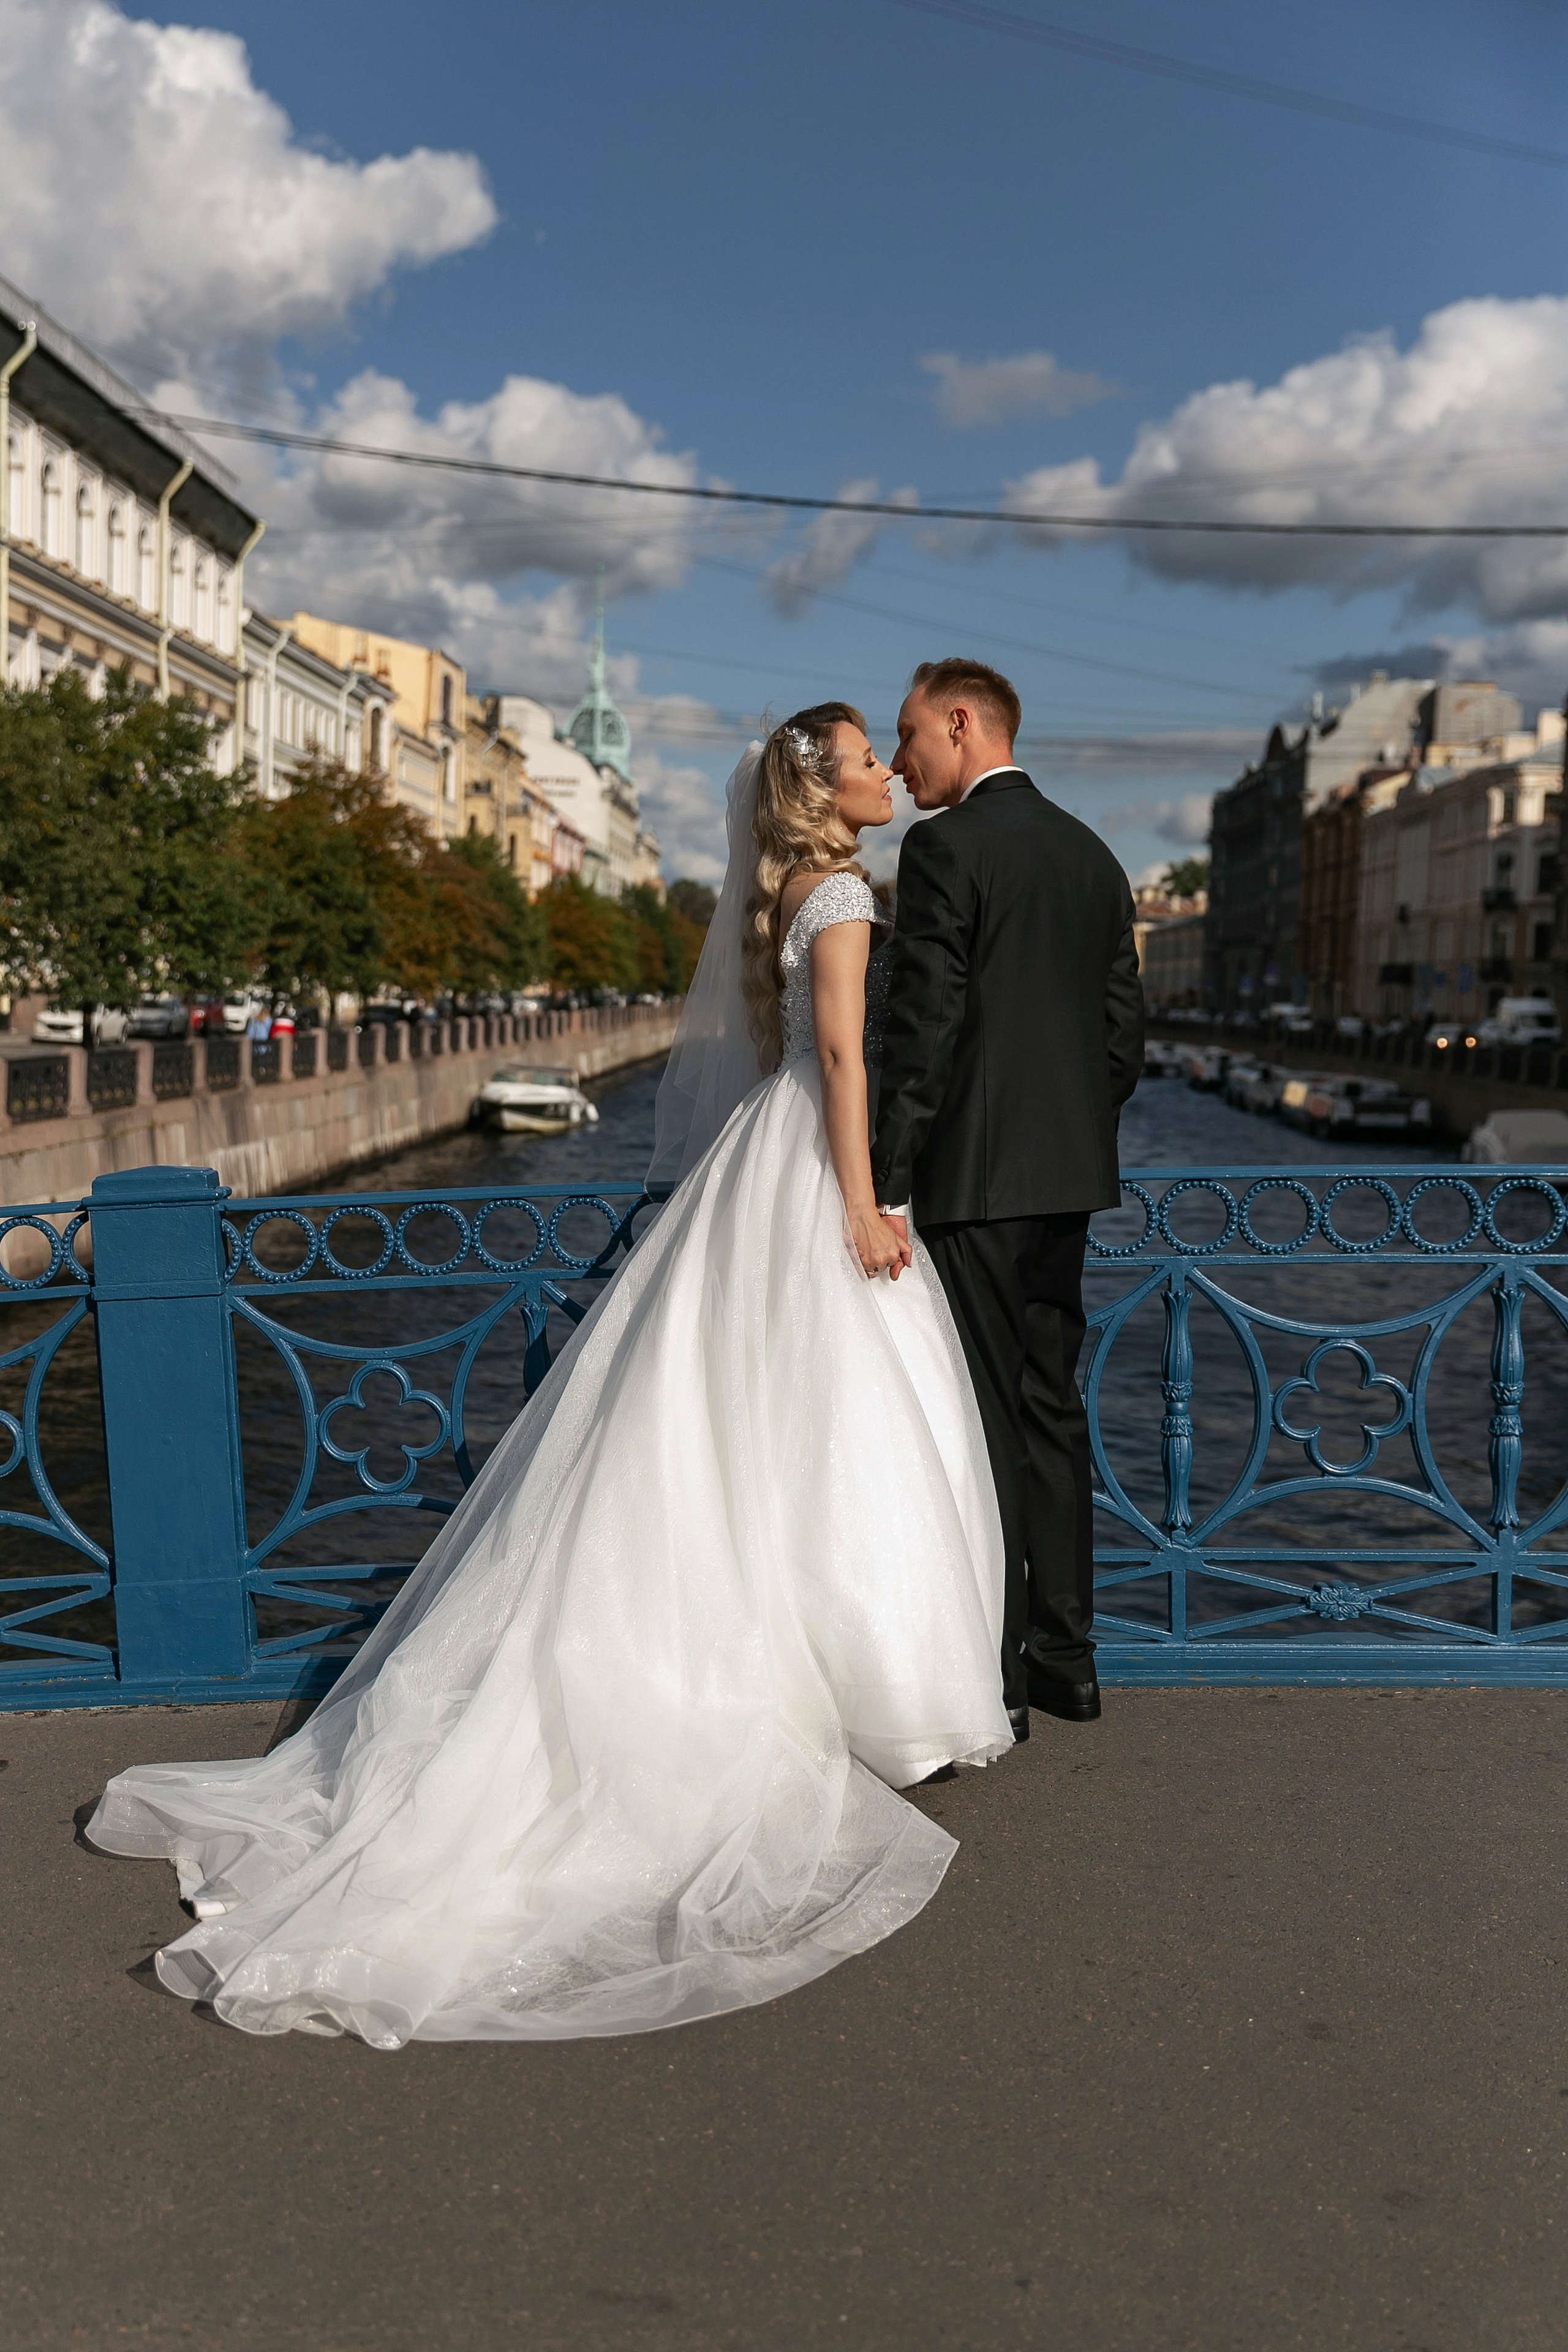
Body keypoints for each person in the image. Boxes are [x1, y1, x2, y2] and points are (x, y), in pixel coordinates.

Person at [87, 704, 1013, 2048]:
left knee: (738, 1419)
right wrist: (865, 1205)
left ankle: (813, 1669)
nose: (885, 772)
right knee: (826, 1418)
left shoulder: (792, 891)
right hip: (814, 1159)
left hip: (764, 1159)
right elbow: (837, 1058)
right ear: (826, 790)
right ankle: (860, 1689)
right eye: (867, 758)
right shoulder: (846, 897)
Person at [870, 660, 1144, 1732]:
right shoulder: (1093, 855)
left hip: (972, 1184)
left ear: (960, 722)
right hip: (1066, 1183)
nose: (901, 761)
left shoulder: (945, 848)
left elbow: (925, 1029)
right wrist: (1065, 1133)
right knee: (1052, 1410)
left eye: (908, 735)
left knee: (985, 1421)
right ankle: (1068, 1662)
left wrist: (887, 1180)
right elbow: (1121, 1041)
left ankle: (997, 1680)